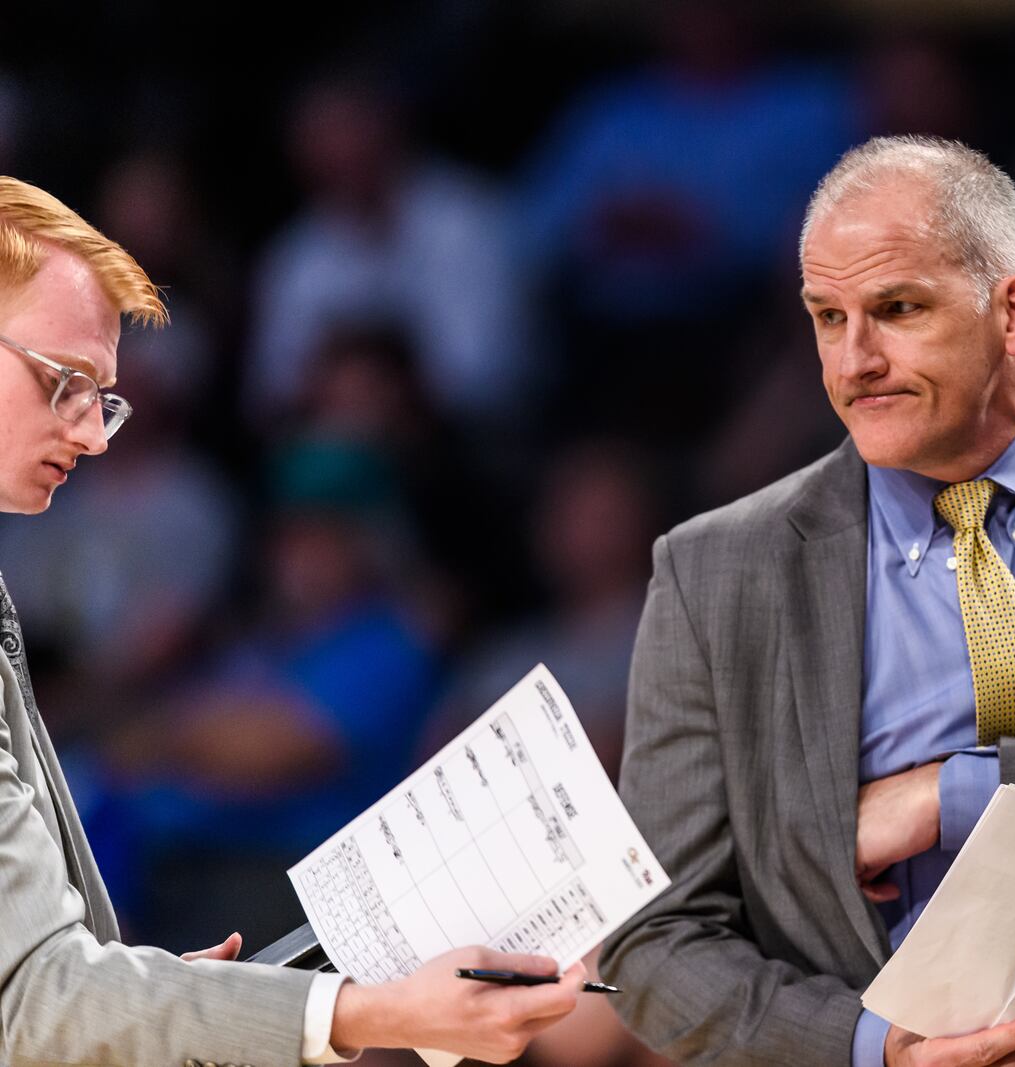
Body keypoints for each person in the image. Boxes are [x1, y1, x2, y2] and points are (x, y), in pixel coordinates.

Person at [601, 135, 1015, 1067]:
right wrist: (879, 1050)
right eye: (828, 318)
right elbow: (654, 942)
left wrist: (951, 793)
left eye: (897, 309)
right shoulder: (716, 574)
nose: (854, 361)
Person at [0, 175, 583, 1066]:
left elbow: (45, 994)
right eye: (66, 382)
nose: (95, 434)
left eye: (105, 397)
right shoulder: (269, 639)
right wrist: (366, 1013)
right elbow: (38, 999)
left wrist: (169, 1000)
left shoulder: (376, 641)